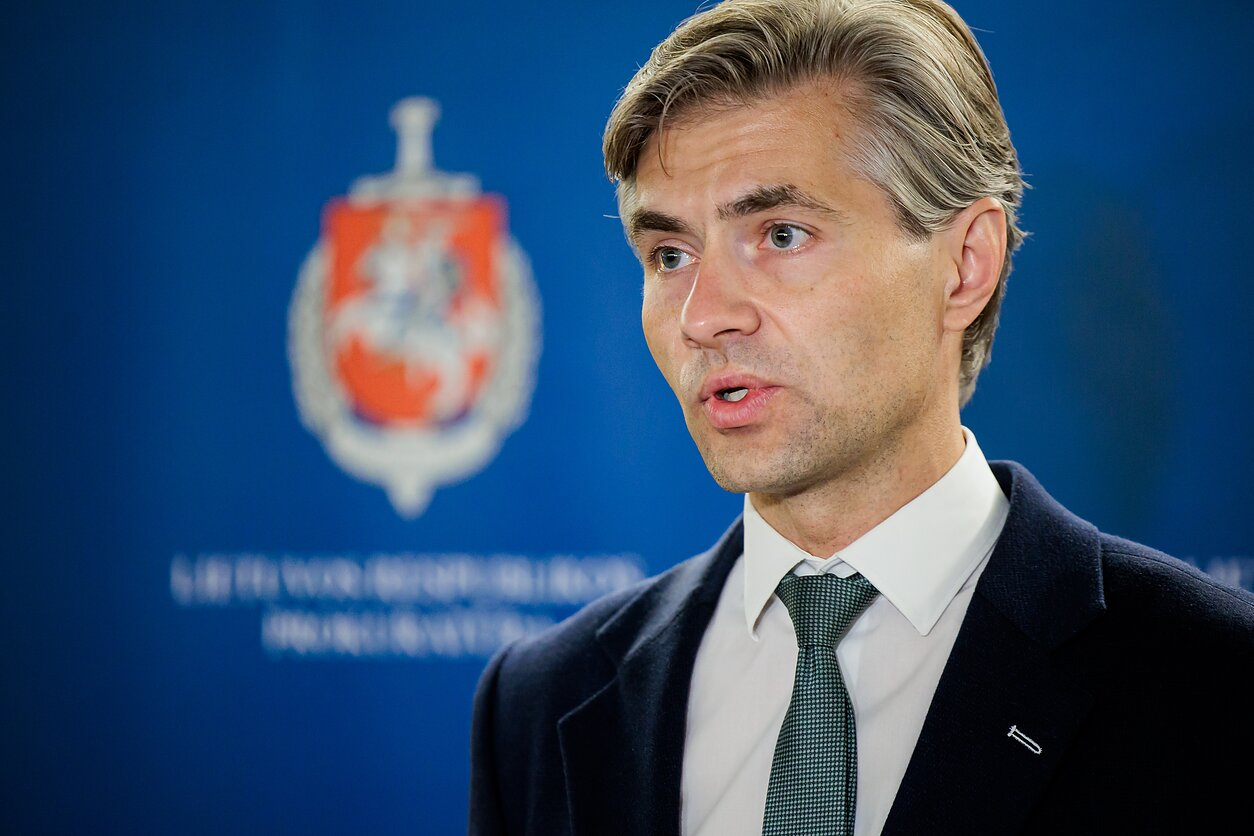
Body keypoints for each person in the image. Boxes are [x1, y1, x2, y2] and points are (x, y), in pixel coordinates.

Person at [468, 0, 1254, 833]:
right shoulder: (541, 702)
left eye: (780, 235)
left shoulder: (1215, 685)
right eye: (670, 255)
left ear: (965, 265)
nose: (702, 316)